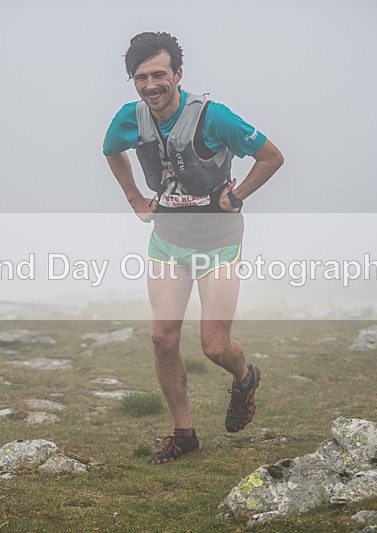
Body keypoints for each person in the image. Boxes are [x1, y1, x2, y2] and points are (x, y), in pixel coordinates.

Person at [103, 32, 284, 464]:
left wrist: (238, 195)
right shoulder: (129, 119)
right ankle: (183, 434)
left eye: (159, 74)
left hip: (218, 244)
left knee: (215, 347)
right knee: (162, 338)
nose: (150, 85)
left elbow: (272, 156)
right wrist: (133, 198)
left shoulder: (214, 117)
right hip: (168, 241)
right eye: (141, 77)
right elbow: (111, 151)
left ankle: (244, 377)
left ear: (178, 75)